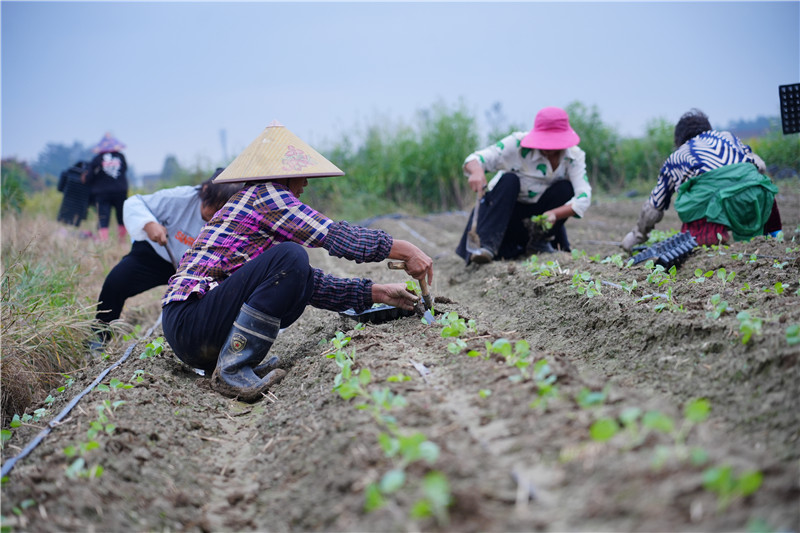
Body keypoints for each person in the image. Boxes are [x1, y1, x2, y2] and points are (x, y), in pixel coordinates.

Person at [160, 121, 434, 402]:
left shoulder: (256, 204)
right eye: (301, 176)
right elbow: (337, 237)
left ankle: (231, 361)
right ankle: (233, 367)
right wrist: (404, 250)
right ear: (282, 175)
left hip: (191, 329)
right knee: (292, 255)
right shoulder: (267, 196)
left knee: (294, 270)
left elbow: (307, 283)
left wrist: (379, 293)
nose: (304, 184)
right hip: (190, 320)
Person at [93, 169, 243, 340]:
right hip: (157, 256)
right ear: (205, 191)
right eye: (212, 205)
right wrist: (149, 224)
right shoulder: (180, 197)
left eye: (220, 209)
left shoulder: (237, 218)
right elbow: (135, 203)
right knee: (116, 282)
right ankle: (100, 337)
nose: (212, 213)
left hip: (199, 268)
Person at [621, 109, 782, 251]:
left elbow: (653, 208)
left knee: (695, 205)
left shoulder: (677, 157)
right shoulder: (727, 137)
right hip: (755, 198)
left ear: (679, 138)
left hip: (712, 209)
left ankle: (710, 245)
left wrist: (636, 236)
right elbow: (760, 166)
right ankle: (774, 240)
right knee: (761, 187)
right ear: (708, 128)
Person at [455, 106, 592, 264]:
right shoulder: (518, 144)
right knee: (510, 180)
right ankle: (487, 246)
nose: (547, 148)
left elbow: (584, 196)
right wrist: (477, 172)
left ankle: (538, 242)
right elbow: (476, 159)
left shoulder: (573, 157)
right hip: (505, 217)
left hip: (536, 220)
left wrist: (554, 213)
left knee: (564, 188)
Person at [83, 133, 129, 241]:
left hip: (102, 193)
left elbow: (89, 177)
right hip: (120, 191)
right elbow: (124, 170)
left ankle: (104, 242)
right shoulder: (121, 157)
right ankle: (121, 242)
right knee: (121, 217)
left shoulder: (97, 159)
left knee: (103, 217)